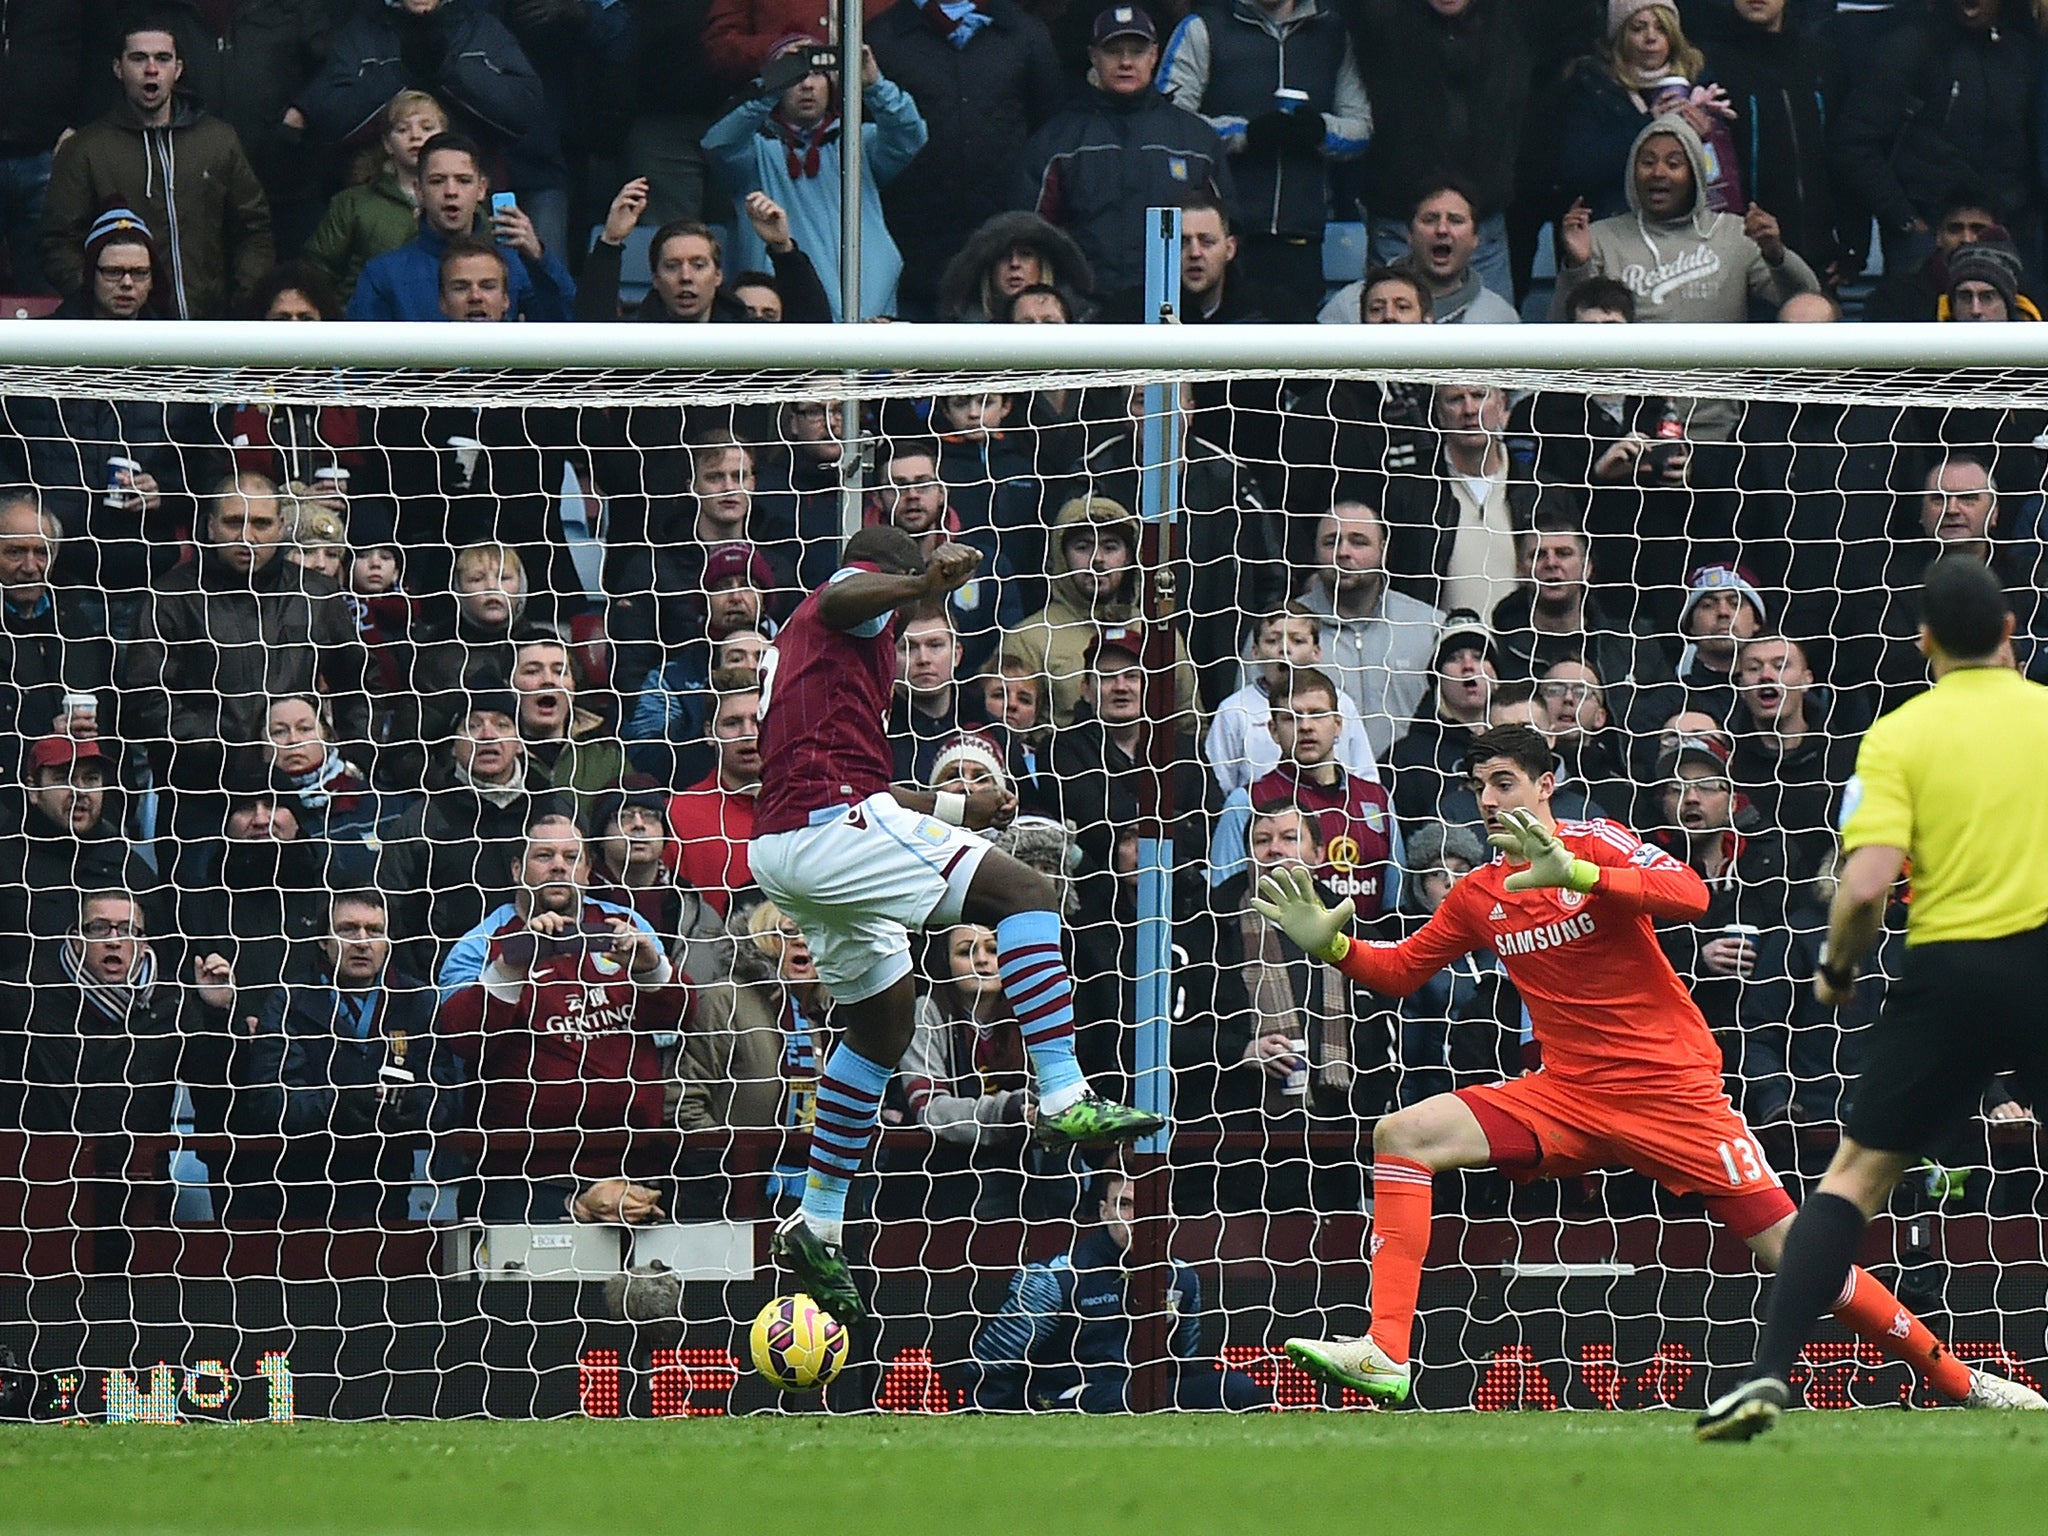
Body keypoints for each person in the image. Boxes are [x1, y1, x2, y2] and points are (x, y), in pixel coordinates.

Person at [1250, 723, 2017, 1414]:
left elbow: (1691, 893)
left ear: (1546, 785)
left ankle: (1959, 1380)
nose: (1487, 800)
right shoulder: (1479, 894)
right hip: (1567, 1095)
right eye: (1477, 786)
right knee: (1402, 1133)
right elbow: (1402, 972)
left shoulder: (1600, 841)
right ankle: (1386, 1352)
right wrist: (1334, 947)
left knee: (1802, 1258)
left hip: (1672, 1094)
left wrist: (1582, 877)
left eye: (1504, 782)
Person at [748, 524, 1164, 1324]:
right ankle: (1064, 1092)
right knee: (1027, 896)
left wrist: (953, 808)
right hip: (833, 832)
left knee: (880, 1027)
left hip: (794, 846)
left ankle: (817, 1220)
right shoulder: (846, 606)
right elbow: (849, 593)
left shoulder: (824, 664)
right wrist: (917, 582)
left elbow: (867, 782)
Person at [1699, 557, 2048, 1439]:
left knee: (1854, 1178)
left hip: (1944, 977)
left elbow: (1860, 892)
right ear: (2011, 632)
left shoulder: (1898, 738)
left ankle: (1768, 1375)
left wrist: (1838, 972)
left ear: (1926, 642)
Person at [436, 813, 685, 1223]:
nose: (558, 866)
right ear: (518, 869)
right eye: (544, 856)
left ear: (587, 870)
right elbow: (463, 1040)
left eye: (571, 856)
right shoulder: (478, 945)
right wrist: (513, 963)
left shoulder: (626, 927)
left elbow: (676, 1019)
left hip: (634, 1167)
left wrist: (649, 965)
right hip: (523, 1177)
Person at [229, 887, 457, 1224]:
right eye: (347, 929)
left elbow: (446, 1096)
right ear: (323, 940)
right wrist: (345, 1104)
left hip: (387, 1192)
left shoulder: (419, 1002)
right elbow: (270, 1100)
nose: (361, 941)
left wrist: (410, 1107)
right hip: (296, 1194)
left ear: (388, 942)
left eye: (374, 931)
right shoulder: (289, 1001)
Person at [968, 1172, 1271, 1410]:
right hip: (1072, 1398)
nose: (1137, 1218)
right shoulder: (1056, 1278)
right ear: (1103, 1211)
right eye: (1125, 1205)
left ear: (1169, 1213)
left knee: (1238, 1389)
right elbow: (988, 1366)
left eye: (1150, 1205)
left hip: (1147, 1396)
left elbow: (1183, 1363)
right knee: (1119, 1399)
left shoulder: (1182, 1278)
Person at [39, 21, 273, 319]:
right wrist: (100, 298)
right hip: (125, 336)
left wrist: (245, 301)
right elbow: (57, 243)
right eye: (138, 58)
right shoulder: (86, 148)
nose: (151, 69)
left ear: (178, 69)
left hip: (212, 331)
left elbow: (253, 229)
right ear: (117, 68)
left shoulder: (218, 140)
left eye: (162, 58)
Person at [1159, 0, 1370, 310]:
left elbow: (1361, 128)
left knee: (1297, 353)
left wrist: (1319, 129)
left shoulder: (1333, 31)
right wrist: (1244, 135)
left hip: (1302, 236)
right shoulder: (1203, 27)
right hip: (1221, 238)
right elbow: (1169, 122)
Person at [1012, 6, 1232, 298]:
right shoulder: (1056, 141)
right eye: (1113, 51)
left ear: (1154, 55)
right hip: (1085, 315)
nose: (1126, 62)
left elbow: (1227, 235)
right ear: (1093, 56)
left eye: (1137, 51)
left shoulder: (1196, 140)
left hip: (1173, 314)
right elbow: (1026, 237)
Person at [866, 0, 1067, 320]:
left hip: (999, 257)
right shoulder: (884, 37)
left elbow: (1050, 130)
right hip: (908, 251)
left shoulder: (1023, 33)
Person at [703, 39, 927, 321]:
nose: (806, 85)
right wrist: (768, 87)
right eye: (794, 75)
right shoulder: (754, 153)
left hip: (869, 317)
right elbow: (718, 144)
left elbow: (910, 135)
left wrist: (875, 85)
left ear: (832, 83)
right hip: (782, 319)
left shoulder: (860, 143)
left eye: (816, 73)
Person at [1831, 0, 2036, 282]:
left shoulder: (2022, 54)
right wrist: (1907, 221)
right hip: (1925, 238)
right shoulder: (1909, 47)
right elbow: (1855, 143)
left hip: (2007, 237)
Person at [1552, 118, 1818, 324]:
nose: (1658, 172)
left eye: (1674, 163)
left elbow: (1810, 301)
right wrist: (1578, 266)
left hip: (1714, 393)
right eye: (1647, 162)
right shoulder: (1601, 237)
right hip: (1635, 393)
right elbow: (1560, 328)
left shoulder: (1735, 234)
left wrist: (1776, 254)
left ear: (1695, 175)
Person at [346, 131, 573, 323]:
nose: (451, 192)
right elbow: (359, 367)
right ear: (418, 190)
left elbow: (565, 329)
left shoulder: (516, 265)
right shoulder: (383, 274)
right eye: (437, 181)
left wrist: (539, 257)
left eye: (463, 180)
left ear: (482, 188)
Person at [1295, 499, 1442, 760]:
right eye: (1331, 542)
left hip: (1412, 788)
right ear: (1315, 552)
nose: (1343, 552)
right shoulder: (1281, 633)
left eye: (1358, 541)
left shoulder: (1428, 626)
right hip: (1315, 790)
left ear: (1383, 551)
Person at [576, 186, 830, 323]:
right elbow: (588, 337)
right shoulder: (635, 339)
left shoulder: (749, 338)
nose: (686, 277)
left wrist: (783, 248)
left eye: (698, 265)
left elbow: (816, 333)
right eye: (672, 266)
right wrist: (610, 242)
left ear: (718, 275)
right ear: (654, 278)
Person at [0, 494, 115, 794]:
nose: (30, 566)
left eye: (41, 552)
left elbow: (114, 731)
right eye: (14, 552)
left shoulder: (79, 623)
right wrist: (48, 737)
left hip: (85, 809)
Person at [1205, 605, 1376, 796]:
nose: (1285, 649)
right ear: (1255, 652)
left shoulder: (1341, 704)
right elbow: (1217, 786)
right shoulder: (1234, 710)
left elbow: (1365, 778)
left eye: (1298, 641)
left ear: (1316, 652)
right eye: (1272, 640)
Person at [301, 89, 449, 308]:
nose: (416, 135)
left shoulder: (467, 203)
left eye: (427, 128)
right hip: (364, 330)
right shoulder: (353, 203)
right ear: (387, 144)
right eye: (402, 129)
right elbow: (316, 271)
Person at [1322, 184, 1518, 326]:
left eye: (1456, 220)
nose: (1442, 229)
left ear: (1476, 238)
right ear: (1409, 235)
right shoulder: (1349, 305)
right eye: (1430, 219)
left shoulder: (1499, 317)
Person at [666, 667, 764, 918]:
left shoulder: (809, 809)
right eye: (733, 723)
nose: (748, 733)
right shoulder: (676, 816)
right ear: (710, 732)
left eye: (758, 721)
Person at [934, 210, 1094, 323]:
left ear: (1043, 263)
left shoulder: (1084, 327)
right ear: (989, 268)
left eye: (1025, 254)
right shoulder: (960, 337)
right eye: (1002, 256)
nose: (1014, 264)